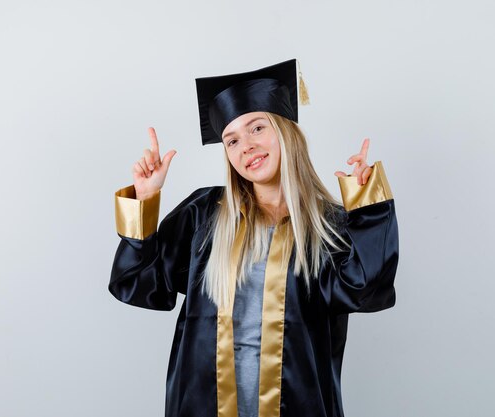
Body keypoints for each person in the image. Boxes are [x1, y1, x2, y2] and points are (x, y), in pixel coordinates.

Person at [109, 59, 399, 417]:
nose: (245, 146)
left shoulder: (327, 226)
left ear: (285, 132)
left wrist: (367, 206)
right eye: (231, 140)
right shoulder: (204, 214)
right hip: (203, 406)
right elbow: (139, 285)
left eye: (257, 128)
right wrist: (145, 199)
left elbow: (366, 290)